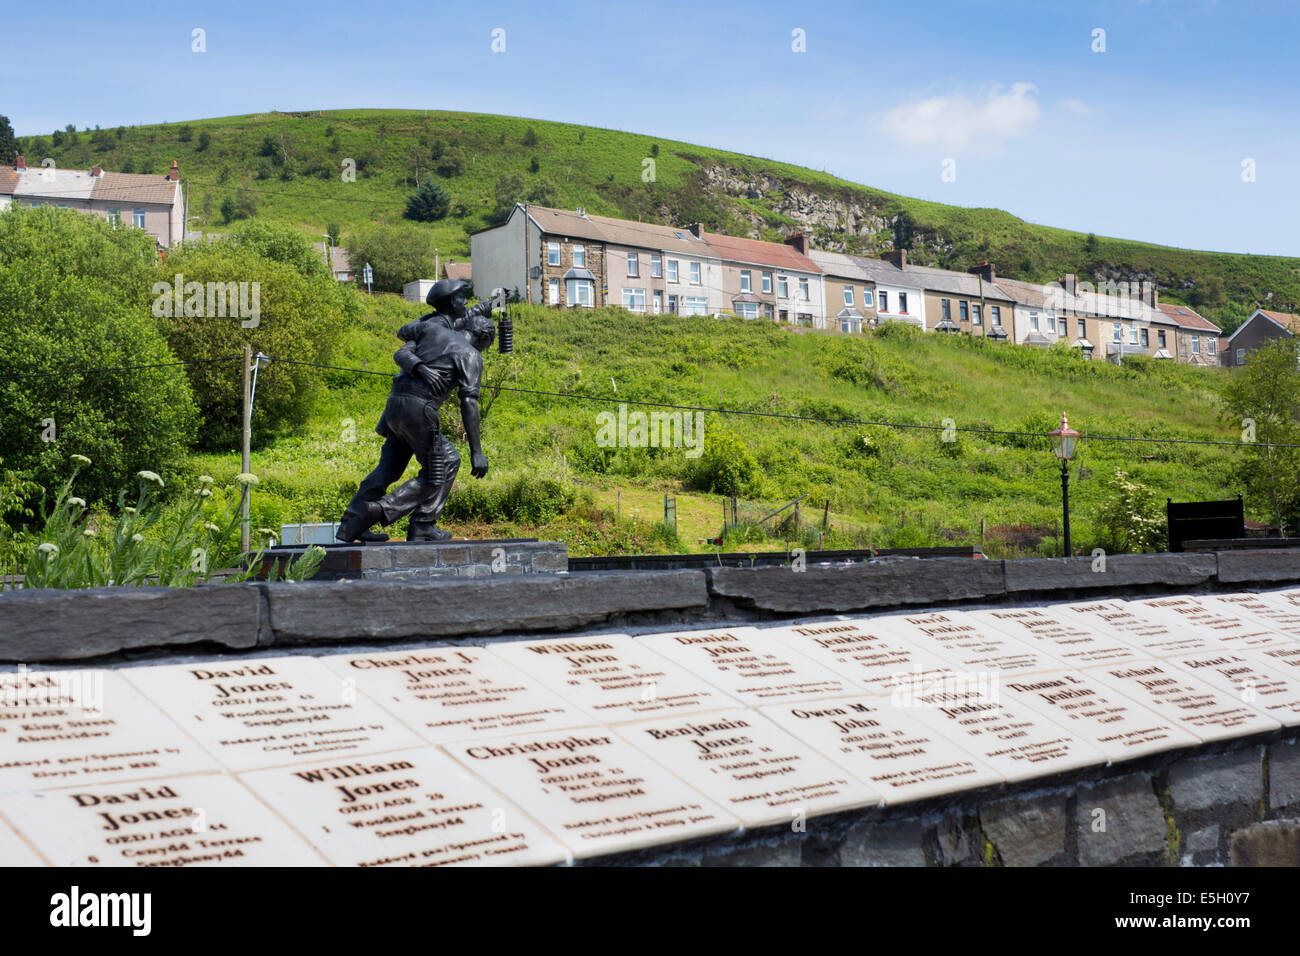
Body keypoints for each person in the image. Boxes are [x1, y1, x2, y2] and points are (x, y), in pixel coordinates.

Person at [336, 280, 501, 542]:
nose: (465, 304)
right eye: (461, 299)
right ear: (485, 339)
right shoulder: (469, 354)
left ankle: (349, 525)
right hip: (419, 410)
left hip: (395, 406)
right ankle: (392, 515)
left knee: (388, 470)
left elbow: (405, 335)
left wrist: (484, 308)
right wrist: (476, 451)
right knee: (446, 462)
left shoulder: (428, 329)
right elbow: (468, 402)